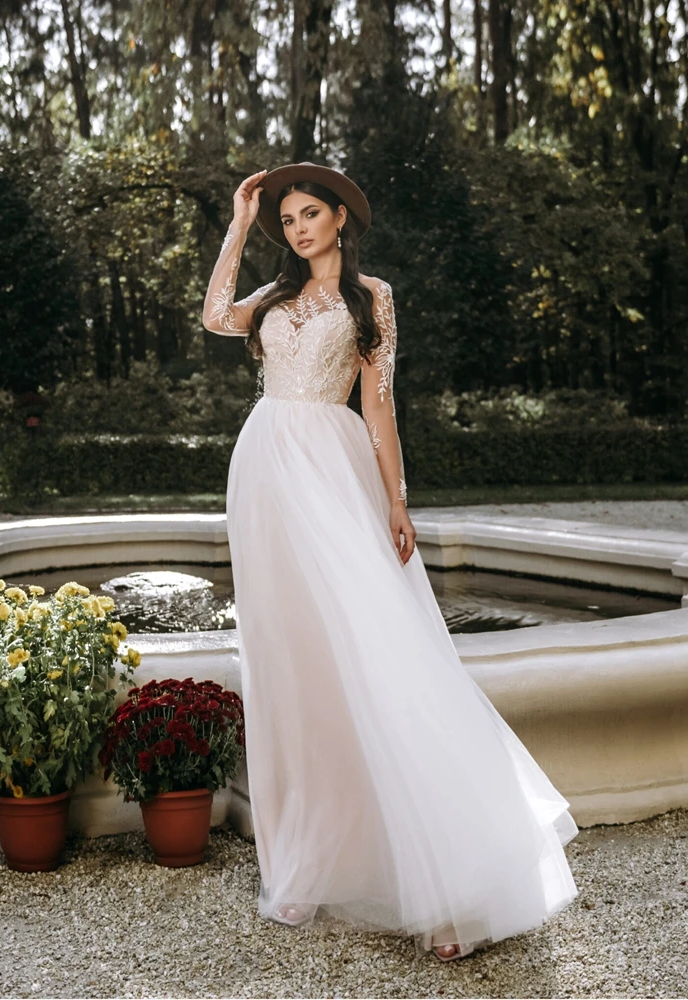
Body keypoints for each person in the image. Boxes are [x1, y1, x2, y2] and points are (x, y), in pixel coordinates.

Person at [202, 161, 579, 962]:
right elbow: (212, 317)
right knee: (293, 665)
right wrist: (238, 221)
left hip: (332, 472)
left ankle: (447, 883)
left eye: (310, 214)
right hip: (264, 473)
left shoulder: (374, 299)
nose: (299, 229)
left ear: (341, 217)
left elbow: (379, 403)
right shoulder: (270, 301)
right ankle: (307, 863)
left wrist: (396, 499)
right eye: (288, 220)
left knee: (380, 652)